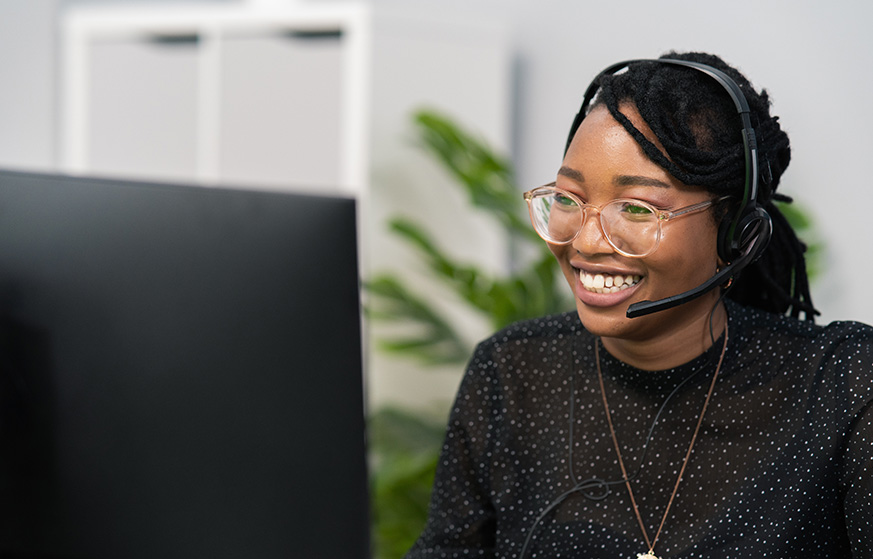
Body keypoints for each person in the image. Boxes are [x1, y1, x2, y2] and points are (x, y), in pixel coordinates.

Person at [405, 52, 873, 558]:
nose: (585, 242)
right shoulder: (513, 373)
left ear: (737, 232)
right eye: (567, 198)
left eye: (636, 208)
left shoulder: (842, 385)